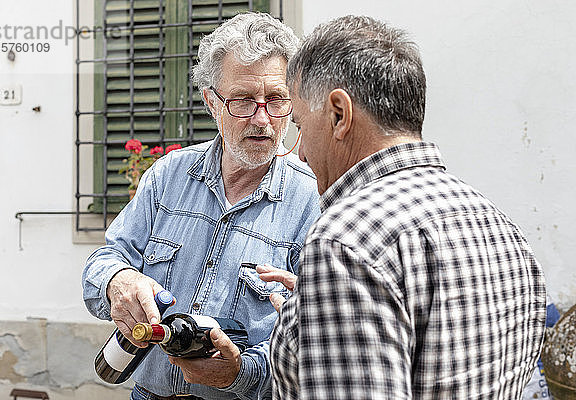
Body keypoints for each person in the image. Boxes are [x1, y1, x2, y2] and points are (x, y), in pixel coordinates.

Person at [261, 15, 547, 399]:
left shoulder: (345, 242)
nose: (301, 151)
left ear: (339, 114)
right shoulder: (498, 224)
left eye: (298, 124)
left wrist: (340, 283)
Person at [82, 12, 320, 400]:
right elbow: (106, 258)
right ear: (212, 102)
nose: (262, 119)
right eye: (243, 100)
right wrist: (116, 281)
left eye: (276, 100)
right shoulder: (168, 176)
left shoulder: (312, 202)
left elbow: (308, 340)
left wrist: (238, 373)